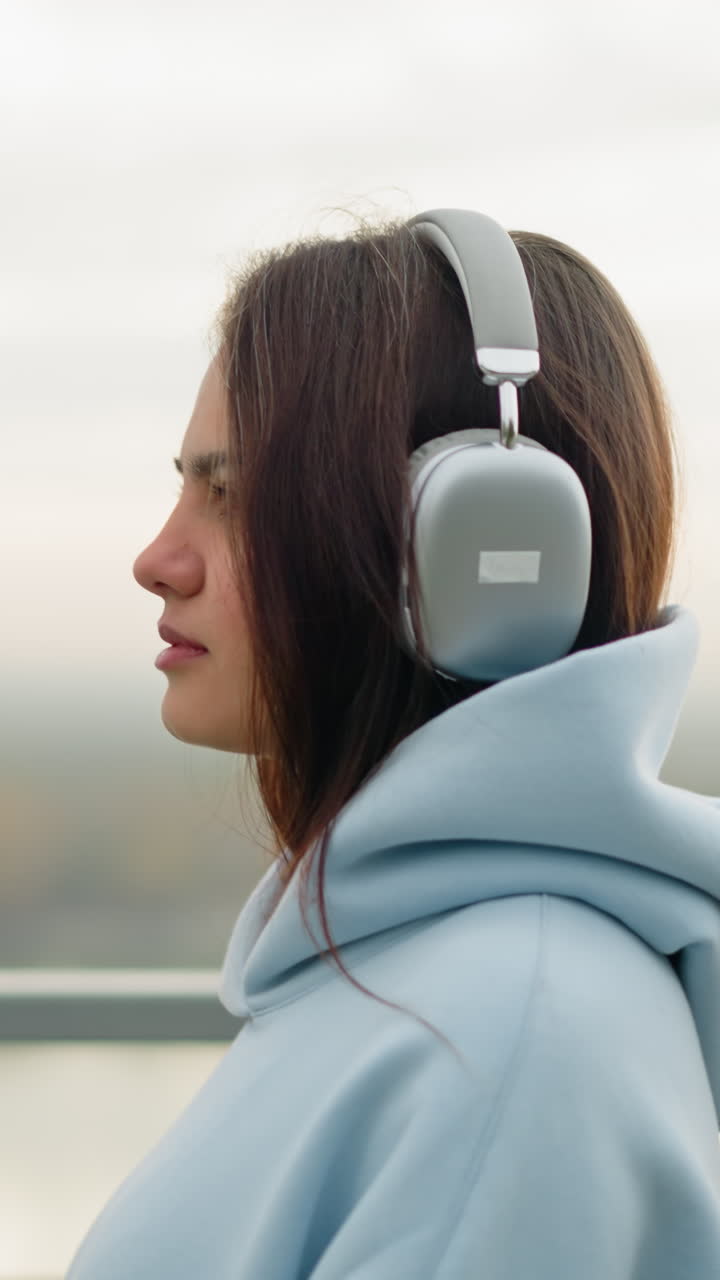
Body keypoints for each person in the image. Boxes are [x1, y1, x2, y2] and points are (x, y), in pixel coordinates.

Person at [66, 211, 720, 1278]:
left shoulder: (512, 1041)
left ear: (473, 541)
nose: (157, 557)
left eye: (228, 495)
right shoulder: (410, 980)